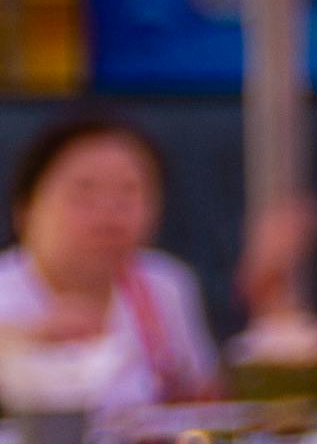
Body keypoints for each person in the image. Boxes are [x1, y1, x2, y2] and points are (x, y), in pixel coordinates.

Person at [0, 114, 218, 414]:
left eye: (128, 194)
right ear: (25, 210)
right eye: (84, 194)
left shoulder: (164, 285)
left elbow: (206, 402)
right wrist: (28, 338)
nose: (108, 216)